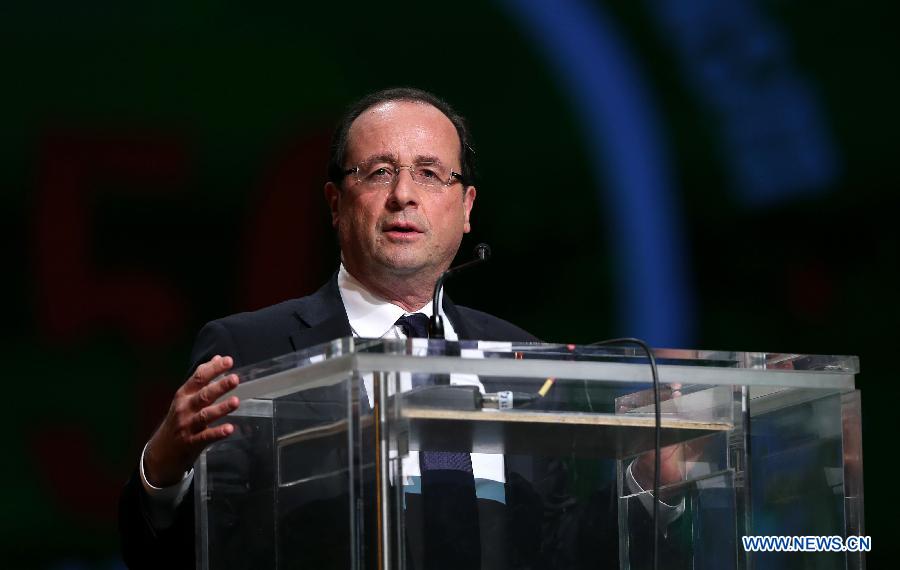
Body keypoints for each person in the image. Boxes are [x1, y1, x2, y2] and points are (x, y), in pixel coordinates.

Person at [118, 87, 541, 570]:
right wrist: (164, 469)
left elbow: (560, 536)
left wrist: (646, 483)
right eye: (380, 172)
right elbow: (190, 549)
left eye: (429, 174)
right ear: (335, 203)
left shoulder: (520, 359)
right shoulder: (249, 350)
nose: (403, 195)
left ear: (466, 208)